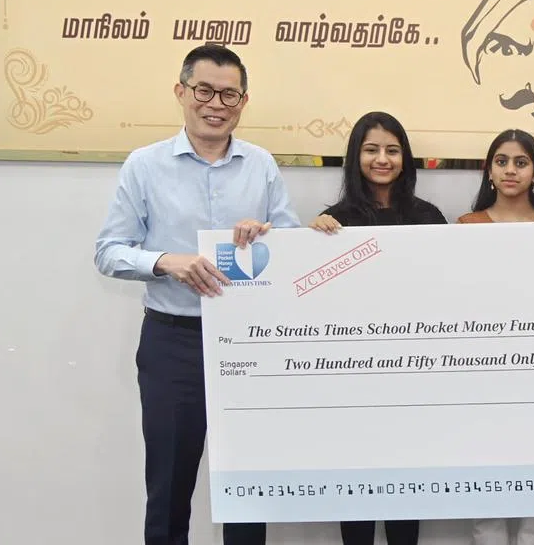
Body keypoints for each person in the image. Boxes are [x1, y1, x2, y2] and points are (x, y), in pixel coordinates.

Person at [94, 45, 299, 545]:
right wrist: (165, 261)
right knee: (169, 486)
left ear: (243, 102)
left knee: (248, 488)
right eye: (204, 90)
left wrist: (268, 235)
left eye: (229, 95)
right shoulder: (144, 166)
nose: (216, 104)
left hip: (249, 344)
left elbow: (293, 247)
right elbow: (108, 252)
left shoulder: (261, 165)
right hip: (174, 344)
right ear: (181, 92)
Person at [308, 110, 447, 545]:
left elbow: (449, 290)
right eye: (371, 150)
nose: (382, 159)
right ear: (356, 157)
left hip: (415, 374)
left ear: (405, 158)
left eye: (392, 150)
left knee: (407, 489)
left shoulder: (428, 217)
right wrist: (310, 240)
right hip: (355, 378)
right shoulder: (334, 221)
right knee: (357, 488)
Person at [456, 129, 534, 545]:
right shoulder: (465, 227)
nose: (510, 170)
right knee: (487, 488)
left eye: (521, 162)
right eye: (501, 161)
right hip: (482, 374)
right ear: (489, 171)